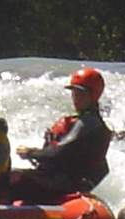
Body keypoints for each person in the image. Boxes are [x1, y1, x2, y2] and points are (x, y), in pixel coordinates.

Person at [9, 67, 112, 202]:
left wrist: (31, 152)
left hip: (66, 184)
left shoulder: (88, 123)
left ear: (93, 96)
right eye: (74, 93)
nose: (76, 98)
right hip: (64, 179)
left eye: (81, 94)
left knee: (13, 177)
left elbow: (58, 152)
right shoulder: (86, 122)